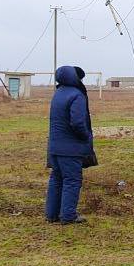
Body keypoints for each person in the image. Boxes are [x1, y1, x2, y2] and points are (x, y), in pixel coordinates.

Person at [45, 65, 96, 225]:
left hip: (55, 147)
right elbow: (77, 122)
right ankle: (68, 216)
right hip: (71, 148)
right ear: (74, 78)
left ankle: (52, 214)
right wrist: (85, 136)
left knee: (56, 179)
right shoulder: (77, 95)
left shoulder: (58, 94)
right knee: (72, 180)